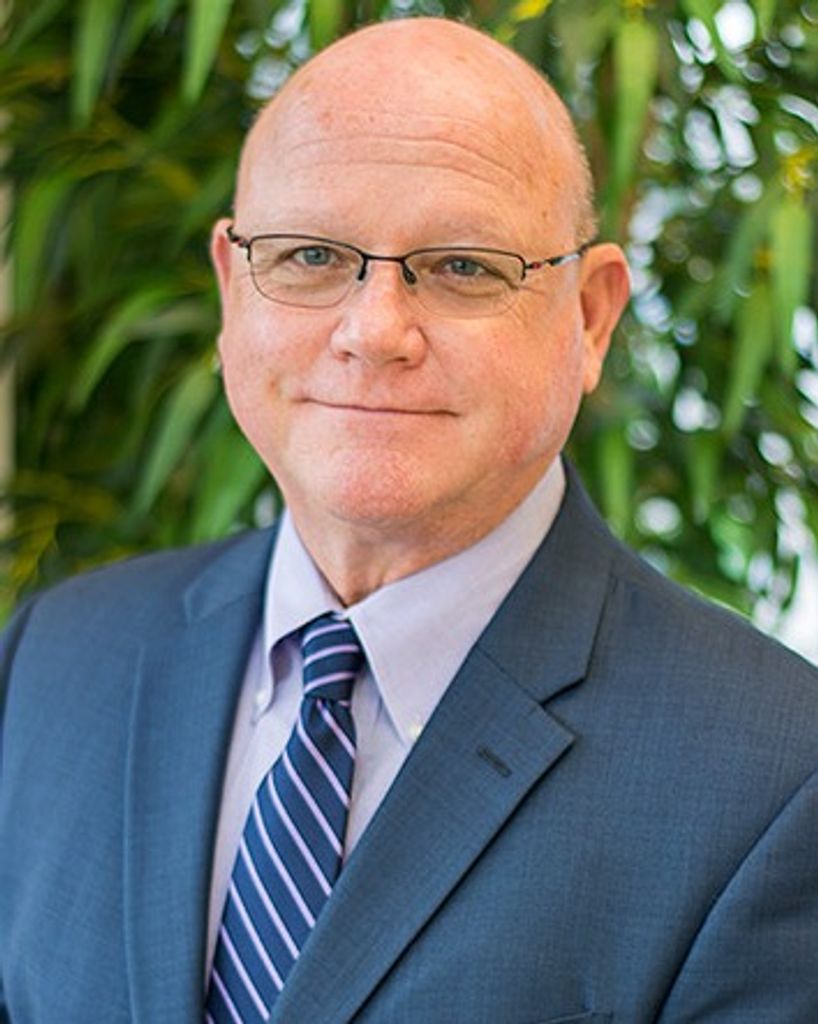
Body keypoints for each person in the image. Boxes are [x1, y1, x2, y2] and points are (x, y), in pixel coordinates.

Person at [1, 16, 817, 1024]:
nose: (373, 331)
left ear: (591, 316)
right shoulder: (53, 661)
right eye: (309, 254)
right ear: (229, 289)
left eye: (463, 266)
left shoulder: (777, 780)